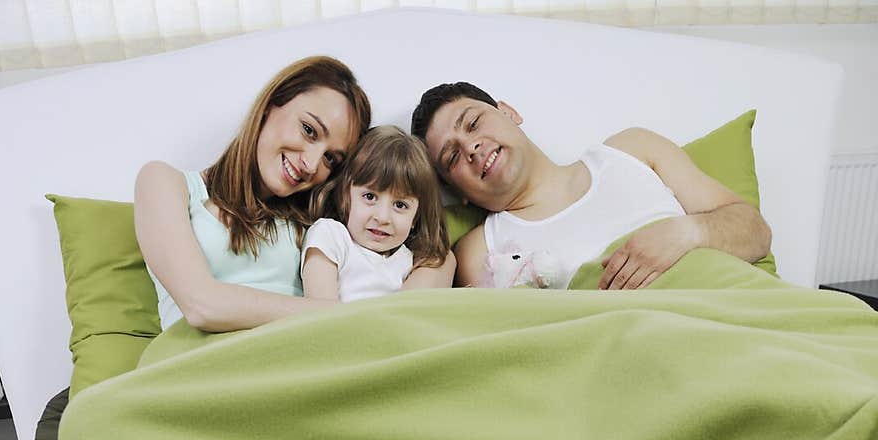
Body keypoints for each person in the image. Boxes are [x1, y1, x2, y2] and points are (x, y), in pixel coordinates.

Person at [410, 81, 772, 291]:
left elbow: (755, 232)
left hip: (723, 312)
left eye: (473, 123)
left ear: (509, 112)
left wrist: (685, 234)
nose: (470, 148)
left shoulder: (632, 151)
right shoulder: (479, 250)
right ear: (455, 190)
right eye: (452, 158)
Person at [134, 55, 371, 332]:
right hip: (198, 367)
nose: (311, 163)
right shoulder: (165, 183)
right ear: (271, 105)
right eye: (309, 130)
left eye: (331, 159)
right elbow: (202, 306)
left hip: (295, 365)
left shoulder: (317, 225)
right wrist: (331, 312)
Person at [301, 126, 454, 301]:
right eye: (370, 196)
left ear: (415, 218)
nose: (382, 218)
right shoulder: (330, 236)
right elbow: (318, 311)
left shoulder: (409, 262)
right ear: (346, 197)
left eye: (400, 205)